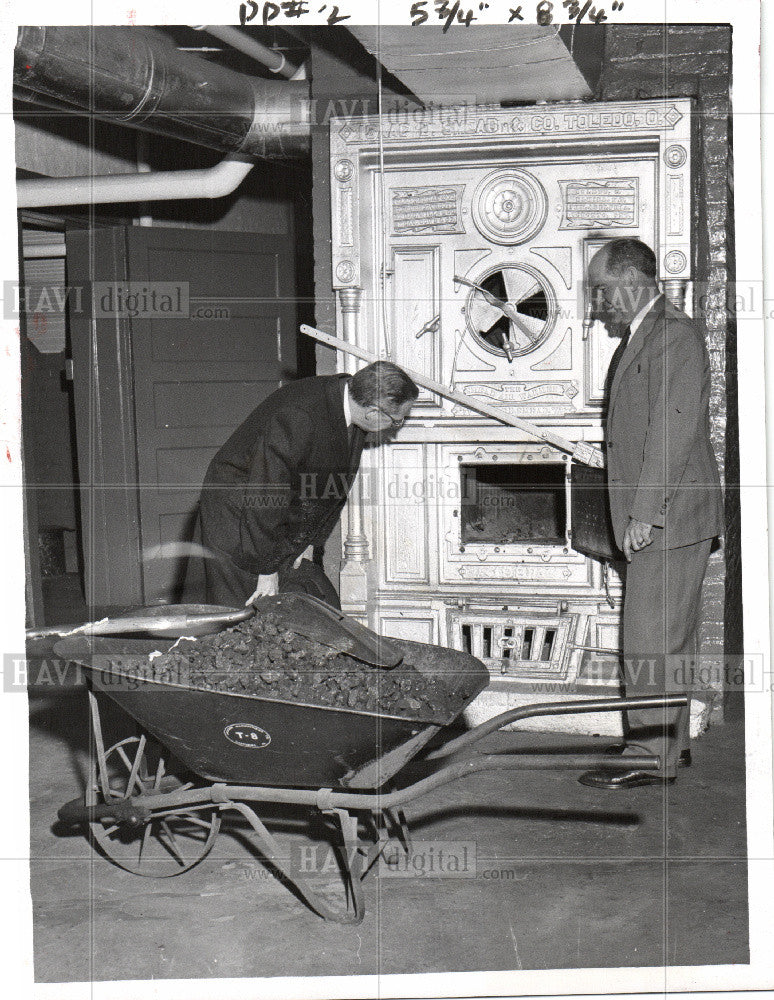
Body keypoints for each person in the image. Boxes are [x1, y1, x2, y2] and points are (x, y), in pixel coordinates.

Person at [579, 238, 723, 789]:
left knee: (649, 641)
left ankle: (648, 753)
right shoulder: (650, 334)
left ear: (633, 280)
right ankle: (668, 745)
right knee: (668, 640)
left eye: (603, 289)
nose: (599, 302)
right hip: (669, 512)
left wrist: (644, 511)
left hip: (666, 513)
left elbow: (673, 429)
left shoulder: (674, 335)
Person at [198, 362, 418, 607]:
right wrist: (267, 569)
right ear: (373, 413)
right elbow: (266, 490)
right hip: (240, 512)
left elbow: (336, 482)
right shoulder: (300, 415)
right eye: (397, 421)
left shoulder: (348, 398)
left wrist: (310, 541)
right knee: (245, 610)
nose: (395, 429)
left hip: (273, 510)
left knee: (313, 595)